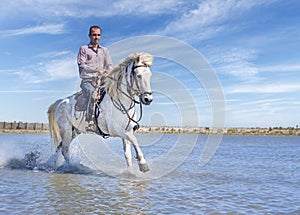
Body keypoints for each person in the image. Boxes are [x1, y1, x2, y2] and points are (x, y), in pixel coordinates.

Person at [77, 25, 113, 132]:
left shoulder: (104, 50)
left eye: (98, 35)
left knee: (115, 91)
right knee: (93, 94)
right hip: (87, 80)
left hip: (102, 80)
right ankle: (90, 122)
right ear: (89, 36)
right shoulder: (84, 49)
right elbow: (81, 65)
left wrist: (109, 71)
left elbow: (109, 65)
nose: (96, 37)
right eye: (94, 35)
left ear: (100, 36)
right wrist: (96, 69)